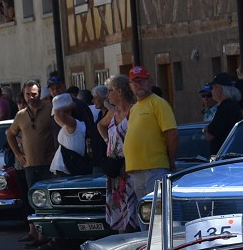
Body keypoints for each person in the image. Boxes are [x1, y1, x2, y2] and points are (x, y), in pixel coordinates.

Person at [7, 80, 58, 247]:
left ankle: (52, 237)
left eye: (34, 94)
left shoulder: (50, 110)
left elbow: (60, 130)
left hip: (48, 165)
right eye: (28, 94)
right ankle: (39, 236)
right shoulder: (21, 115)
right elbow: (10, 134)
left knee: (50, 202)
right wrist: (18, 153)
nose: (31, 97)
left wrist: (56, 151)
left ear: (39, 93)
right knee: (35, 202)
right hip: (30, 165)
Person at [124, 65, 178, 203]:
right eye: (134, 82)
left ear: (150, 81)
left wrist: (170, 162)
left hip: (155, 168)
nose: (138, 84)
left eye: (141, 80)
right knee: (145, 215)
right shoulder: (134, 109)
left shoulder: (159, 103)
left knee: (158, 215)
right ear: (130, 86)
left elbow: (171, 133)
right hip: (136, 170)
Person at [97, 74, 137, 234]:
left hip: (130, 166)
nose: (108, 95)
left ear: (120, 92)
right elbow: (100, 125)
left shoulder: (134, 110)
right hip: (115, 169)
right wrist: (109, 141)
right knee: (119, 208)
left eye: (110, 91)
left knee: (132, 207)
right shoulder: (113, 112)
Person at [47, 74, 101, 175]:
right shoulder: (54, 107)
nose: (55, 91)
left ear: (64, 87)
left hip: (76, 158)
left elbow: (88, 130)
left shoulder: (78, 106)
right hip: (64, 158)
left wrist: (69, 107)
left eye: (58, 87)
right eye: (52, 89)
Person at [50, 93, 89, 184]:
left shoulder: (74, 125)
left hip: (68, 173)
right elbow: (57, 116)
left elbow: (58, 114)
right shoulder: (68, 125)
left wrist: (71, 105)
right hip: (64, 171)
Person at [204, 72, 242, 155]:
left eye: (212, 88)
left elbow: (210, 135)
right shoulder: (233, 106)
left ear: (219, 90)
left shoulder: (225, 108)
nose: (211, 91)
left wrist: (206, 129)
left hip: (224, 159)